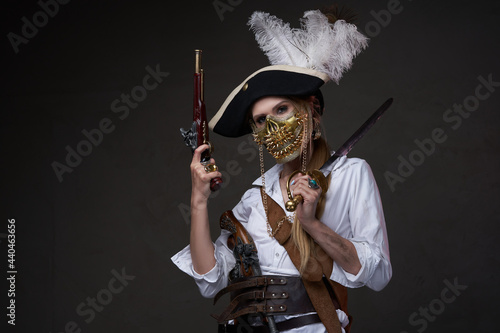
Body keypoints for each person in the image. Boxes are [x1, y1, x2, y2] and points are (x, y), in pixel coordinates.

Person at [172, 8, 392, 333]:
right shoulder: (256, 196)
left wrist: (311, 224)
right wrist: (198, 201)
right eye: (261, 120)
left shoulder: (350, 174)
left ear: (312, 111)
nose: (273, 125)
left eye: (282, 109)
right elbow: (210, 279)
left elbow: (377, 276)